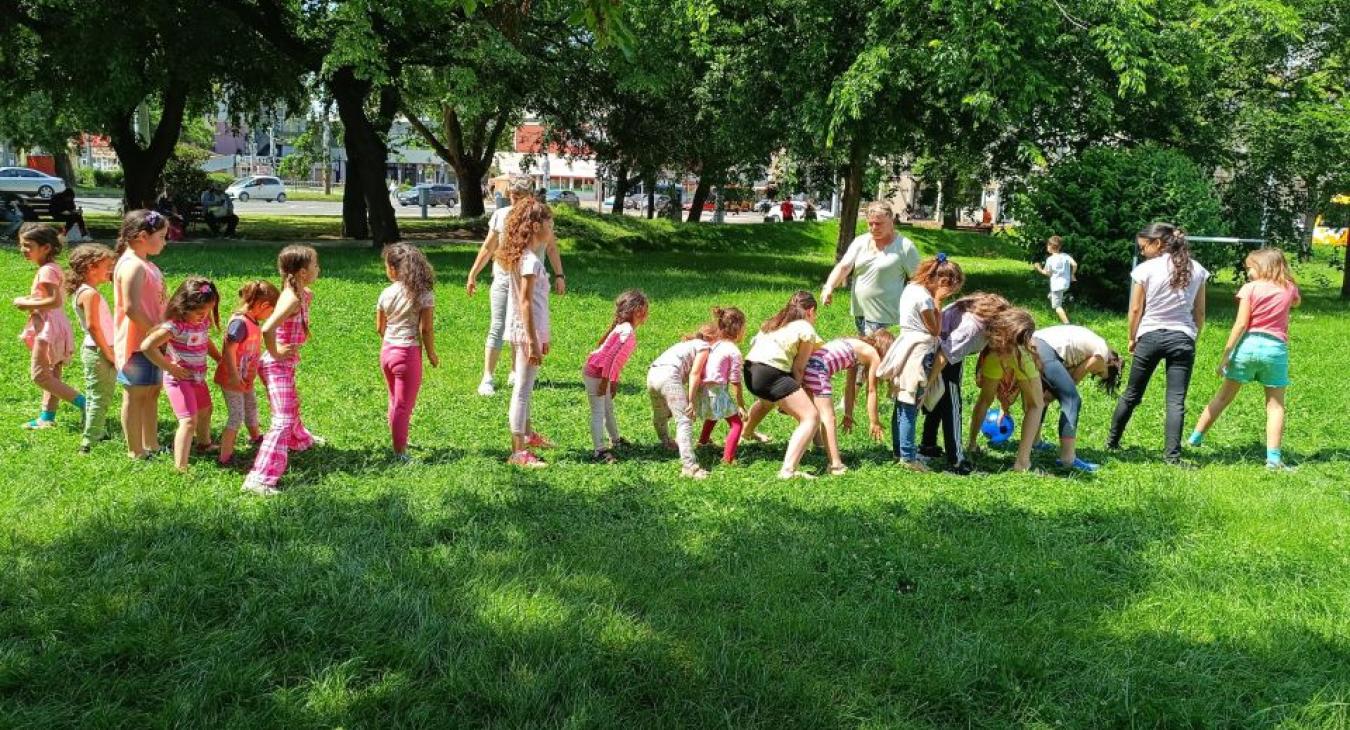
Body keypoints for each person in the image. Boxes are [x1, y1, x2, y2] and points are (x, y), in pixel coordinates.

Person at [1188, 248, 1301, 470]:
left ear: (1261, 267)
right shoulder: (1288, 288)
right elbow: (1296, 302)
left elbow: (1240, 324)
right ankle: (1273, 459)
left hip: (1248, 347)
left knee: (1222, 398)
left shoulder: (1249, 288)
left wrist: (1226, 355)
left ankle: (1194, 439)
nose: (1247, 272)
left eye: (1249, 267)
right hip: (1275, 350)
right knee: (1275, 406)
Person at [1106, 222, 1208, 464]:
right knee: (1175, 400)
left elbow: (1135, 308)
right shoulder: (1197, 269)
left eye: (1143, 247)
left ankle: (1112, 442)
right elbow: (1200, 312)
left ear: (1158, 244)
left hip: (1150, 336)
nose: (1142, 252)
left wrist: (1132, 337)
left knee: (1132, 393)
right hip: (1182, 338)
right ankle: (1172, 457)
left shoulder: (1146, 269)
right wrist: (1194, 335)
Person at [467, 178, 565, 397]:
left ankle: (515, 371)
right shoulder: (501, 216)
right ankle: (488, 377)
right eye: (511, 195)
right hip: (504, 280)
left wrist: (560, 274)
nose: (514, 200)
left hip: (529, 279)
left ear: (529, 196)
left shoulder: (537, 217)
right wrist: (473, 273)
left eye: (518, 196)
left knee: (520, 326)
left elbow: (551, 248)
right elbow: (488, 247)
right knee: (499, 325)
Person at [243, 245, 321, 495]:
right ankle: (260, 479)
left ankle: (299, 440)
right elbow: (267, 329)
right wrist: (276, 351)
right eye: (315, 265)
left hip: (285, 363)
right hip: (276, 365)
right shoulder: (290, 299)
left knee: (292, 404)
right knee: (283, 418)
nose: (319, 269)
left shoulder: (300, 293)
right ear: (302, 272)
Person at [878, 254, 966, 471]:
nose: (950, 294)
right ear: (942, 282)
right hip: (920, 351)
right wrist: (938, 300)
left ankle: (900, 451)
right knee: (911, 403)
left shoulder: (910, 288)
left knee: (901, 401)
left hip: (906, 345)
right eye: (951, 289)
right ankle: (908, 458)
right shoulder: (926, 299)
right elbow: (935, 329)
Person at [919, 292, 1011, 474]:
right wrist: (928, 384)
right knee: (952, 406)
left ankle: (928, 446)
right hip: (939, 356)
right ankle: (956, 461)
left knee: (940, 399)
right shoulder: (972, 328)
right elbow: (943, 356)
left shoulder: (981, 321)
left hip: (950, 356)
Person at [741, 291, 825, 480]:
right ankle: (788, 470)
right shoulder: (805, 328)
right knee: (810, 417)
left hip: (750, 371)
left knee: (767, 402)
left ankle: (745, 434)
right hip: (771, 373)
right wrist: (797, 388)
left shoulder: (775, 322)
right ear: (811, 311)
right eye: (815, 314)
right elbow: (799, 368)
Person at [140, 278, 222, 472]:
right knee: (188, 421)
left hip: (198, 377)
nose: (204, 316)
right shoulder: (175, 327)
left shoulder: (201, 323)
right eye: (199, 313)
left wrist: (219, 358)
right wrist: (169, 367)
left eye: (208, 311)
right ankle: (180, 467)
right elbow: (147, 346)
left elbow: (205, 340)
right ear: (184, 307)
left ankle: (204, 444)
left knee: (205, 411)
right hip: (179, 379)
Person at [499, 198, 557, 468]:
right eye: (549, 222)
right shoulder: (531, 261)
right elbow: (525, 302)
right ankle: (518, 451)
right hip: (527, 334)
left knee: (527, 386)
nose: (552, 227)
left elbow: (533, 303)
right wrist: (533, 342)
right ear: (535, 226)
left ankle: (528, 434)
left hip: (529, 331)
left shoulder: (524, 257)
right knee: (522, 389)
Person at [13, 224, 85, 430]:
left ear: (45, 248)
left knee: (40, 375)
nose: (23, 250)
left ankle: (87, 404)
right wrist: (32, 299)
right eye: (21, 245)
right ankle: (47, 417)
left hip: (48, 328)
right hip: (54, 324)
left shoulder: (46, 271)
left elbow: (54, 301)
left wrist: (25, 304)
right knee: (52, 373)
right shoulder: (51, 268)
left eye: (28, 245)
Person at [113, 210, 169, 459]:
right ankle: (135, 450)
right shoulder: (132, 265)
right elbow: (131, 307)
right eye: (162, 236)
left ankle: (152, 444)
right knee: (136, 395)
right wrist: (156, 332)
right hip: (138, 343)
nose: (165, 241)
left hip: (151, 342)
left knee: (152, 391)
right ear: (142, 236)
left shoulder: (145, 263)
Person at [820, 201, 922, 336]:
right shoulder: (860, 242)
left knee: (880, 357)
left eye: (879, 224)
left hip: (888, 320)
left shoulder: (905, 247)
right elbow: (844, 267)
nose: (874, 227)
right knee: (866, 356)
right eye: (870, 223)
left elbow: (919, 281)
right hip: (861, 315)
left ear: (891, 221)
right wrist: (829, 287)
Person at [377, 243, 439, 462]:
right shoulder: (423, 294)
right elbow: (426, 328)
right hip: (407, 353)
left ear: (394, 269)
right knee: (404, 405)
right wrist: (431, 353)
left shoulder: (386, 293)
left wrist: (390, 341)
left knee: (394, 400)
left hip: (387, 352)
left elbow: (380, 327)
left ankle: (399, 438)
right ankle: (400, 451)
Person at [1033, 324, 1123, 473]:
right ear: (1109, 365)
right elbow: (1074, 377)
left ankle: (1034, 443)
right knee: (1072, 400)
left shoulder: (1093, 346)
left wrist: (1053, 393)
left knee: (1042, 400)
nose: (1096, 373)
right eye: (1100, 373)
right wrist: (1060, 393)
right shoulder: (1103, 355)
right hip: (1046, 350)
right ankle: (1067, 459)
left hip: (1034, 344)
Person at [965, 309, 1047, 472]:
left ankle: (972, 445)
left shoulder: (997, 331)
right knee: (1036, 405)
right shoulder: (1024, 344)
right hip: (1020, 356)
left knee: (985, 399)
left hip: (995, 352)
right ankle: (1022, 462)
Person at [803, 330, 893, 475]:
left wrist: (848, 414)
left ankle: (819, 446)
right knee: (829, 417)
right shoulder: (873, 354)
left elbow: (850, 386)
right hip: (817, 370)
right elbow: (871, 390)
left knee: (813, 414)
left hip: (808, 366)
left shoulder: (856, 348)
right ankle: (835, 465)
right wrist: (874, 421)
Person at [215, 281, 278, 466]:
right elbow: (228, 350)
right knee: (236, 416)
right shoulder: (239, 323)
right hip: (232, 378)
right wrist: (234, 376)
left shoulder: (252, 321)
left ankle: (256, 438)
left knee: (251, 406)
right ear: (263, 306)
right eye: (271, 311)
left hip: (244, 378)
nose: (270, 316)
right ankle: (225, 457)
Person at [583, 289, 649, 463]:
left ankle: (616, 441)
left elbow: (617, 361)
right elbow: (610, 358)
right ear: (637, 311)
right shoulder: (626, 331)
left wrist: (614, 381)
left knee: (608, 409)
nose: (647, 314)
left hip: (602, 374)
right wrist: (606, 381)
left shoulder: (625, 329)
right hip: (596, 373)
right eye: (645, 310)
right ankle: (599, 452)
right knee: (598, 412)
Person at [67, 243, 119, 452]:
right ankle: (89, 441)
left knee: (97, 394)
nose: (110, 271)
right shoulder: (90, 294)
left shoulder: (86, 291)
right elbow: (93, 326)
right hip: (99, 351)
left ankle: (97, 431)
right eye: (107, 266)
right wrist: (108, 352)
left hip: (96, 350)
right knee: (100, 397)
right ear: (91, 267)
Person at [647, 322, 717, 479]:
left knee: (661, 413)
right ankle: (689, 466)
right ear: (712, 338)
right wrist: (690, 401)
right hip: (669, 377)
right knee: (684, 419)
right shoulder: (704, 347)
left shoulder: (686, 344)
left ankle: (665, 441)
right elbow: (695, 373)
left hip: (652, 374)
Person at [695, 307, 749, 466]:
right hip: (717, 390)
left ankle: (703, 441)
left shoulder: (714, 344)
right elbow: (735, 381)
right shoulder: (733, 351)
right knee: (737, 424)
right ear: (738, 329)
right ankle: (728, 459)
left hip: (703, 389)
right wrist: (741, 405)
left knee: (714, 414)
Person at [1034, 235, 1077, 324]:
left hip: (1057, 286)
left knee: (1057, 307)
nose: (1047, 247)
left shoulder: (1050, 259)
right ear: (1059, 247)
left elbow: (1047, 273)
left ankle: (1067, 324)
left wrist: (1039, 268)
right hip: (1066, 284)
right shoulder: (1065, 255)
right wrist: (1072, 274)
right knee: (1051, 295)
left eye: (1047, 245)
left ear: (1050, 246)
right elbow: (1075, 264)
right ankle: (1067, 298)